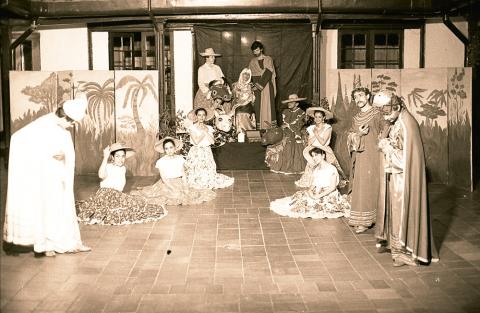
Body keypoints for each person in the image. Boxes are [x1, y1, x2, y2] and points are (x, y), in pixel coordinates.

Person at [3, 97, 91, 257]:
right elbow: (18, 139)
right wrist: (47, 155)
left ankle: (67, 241)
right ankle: (45, 244)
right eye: (71, 122)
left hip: (57, 174)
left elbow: (63, 149)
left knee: (60, 206)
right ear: (65, 116)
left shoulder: (61, 129)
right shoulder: (44, 123)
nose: (72, 126)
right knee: (46, 208)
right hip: (43, 175)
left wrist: (63, 156)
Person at [373, 92, 439, 266]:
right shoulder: (396, 120)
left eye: (387, 112)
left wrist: (388, 149)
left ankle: (404, 250)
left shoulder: (406, 124)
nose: (385, 116)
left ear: (397, 107)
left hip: (403, 179)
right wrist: (386, 143)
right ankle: (397, 248)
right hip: (394, 176)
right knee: (394, 212)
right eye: (383, 112)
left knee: (401, 212)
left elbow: (407, 159)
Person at [76, 142, 167, 225]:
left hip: (117, 195)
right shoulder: (108, 166)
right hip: (106, 194)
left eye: (123, 156)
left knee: (136, 203)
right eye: (117, 156)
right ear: (112, 157)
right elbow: (101, 175)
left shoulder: (123, 168)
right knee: (121, 209)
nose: (121, 159)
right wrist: (105, 158)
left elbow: (119, 186)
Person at [130, 137, 216, 205]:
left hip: (178, 181)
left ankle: (181, 191)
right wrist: (172, 188)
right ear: (164, 150)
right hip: (167, 183)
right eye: (166, 148)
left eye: (171, 147)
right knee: (172, 195)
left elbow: (183, 174)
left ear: (175, 148)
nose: (169, 150)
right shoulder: (161, 161)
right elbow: (164, 178)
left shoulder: (180, 159)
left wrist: (185, 186)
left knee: (188, 193)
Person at [270, 147, 350, 219]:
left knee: (315, 205)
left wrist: (318, 196)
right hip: (317, 190)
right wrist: (310, 191)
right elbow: (313, 184)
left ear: (323, 155)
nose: (314, 158)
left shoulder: (331, 169)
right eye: (313, 156)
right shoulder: (316, 169)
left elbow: (332, 187)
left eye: (316, 155)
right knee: (300, 198)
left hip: (328, 193)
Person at [346, 87, 385, 234]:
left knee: (376, 185)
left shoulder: (377, 114)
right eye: (355, 97)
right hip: (361, 157)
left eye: (361, 95)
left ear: (368, 96)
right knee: (362, 187)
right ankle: (363, 220)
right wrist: (358, 134)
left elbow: (386, 132)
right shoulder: (356, 118)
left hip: (376, 155)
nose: (358, 99)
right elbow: (350, 136)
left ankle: (379, 218)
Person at [295, 98, 346, 188]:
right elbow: (309, 142)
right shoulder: (311, 128)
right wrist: (314, 134)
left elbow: (323, 142)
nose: (317, 119)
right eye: (316, 117)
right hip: (314, 149)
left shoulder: (327, 128)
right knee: (312, 165)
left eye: (319, 117)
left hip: (324, 150)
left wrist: (316, 133)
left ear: (324, 118)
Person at [184, 106, 234, 189]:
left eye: (203, 115)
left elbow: (212, 141)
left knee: (207, 172)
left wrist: (207, 132)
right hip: (196, 152)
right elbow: (196, 141)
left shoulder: (209, 128)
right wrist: (203, 133)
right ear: (196, 116)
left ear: (205, 117)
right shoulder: (192, 128)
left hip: (206, 151)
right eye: (199, 115)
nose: (201, 117)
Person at [265, 94, 306, 174]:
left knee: (289, 142)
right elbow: (283, 125)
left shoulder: (301, 113)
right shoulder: (285, 112)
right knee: (277, 140)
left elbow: (299, 125)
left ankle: (291, 167)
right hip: (286, 132)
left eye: (291, 102)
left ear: (297, 104)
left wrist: (288, 125)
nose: (289, 104)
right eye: (288, 102)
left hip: (296, 133)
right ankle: (280, 165)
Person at [248, 41, 277, 129]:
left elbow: (268, 73)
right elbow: (249, 75)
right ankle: (259, 128)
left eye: (257, 50)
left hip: (266, 85)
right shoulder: (252, 61)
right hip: (256, 87)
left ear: (261, 49)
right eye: (254, 51)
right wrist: (251, 85)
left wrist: (258, 86)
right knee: (258, 107)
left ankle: (270, 128)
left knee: (269, 107)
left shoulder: (268, 59)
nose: (256, 52)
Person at [232, 68, 256, 133]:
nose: (246, 76)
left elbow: (250, 98)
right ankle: (239, 132)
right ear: (241, 74)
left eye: (248, 74)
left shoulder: (250, 86)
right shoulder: (235, 85)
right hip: (237, 104)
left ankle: (248, 131)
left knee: (242, 112)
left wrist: (242, 103)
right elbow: (234, 97)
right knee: (237, 111)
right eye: (245, 74)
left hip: (247, 105)